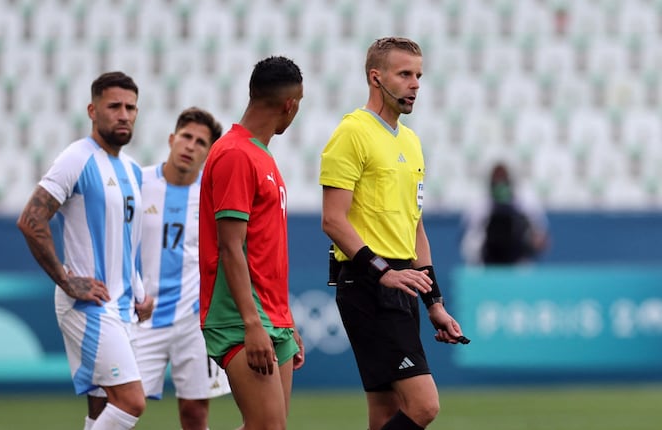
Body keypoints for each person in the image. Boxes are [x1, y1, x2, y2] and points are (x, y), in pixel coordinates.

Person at [319, 37, 466, 430]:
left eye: (418, 75)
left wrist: (433, 301)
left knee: (384, 415)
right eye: (404, 74)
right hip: (368, 284)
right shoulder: (352, 132)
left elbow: (414, 227)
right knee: (424, 405)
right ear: (376, 77)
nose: (415, 83)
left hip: (400, 285)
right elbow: (333, 220)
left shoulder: (412, 142)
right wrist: (382, 271)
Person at [17, 71, 152, 430]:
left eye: (131, 107)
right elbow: (31, 220)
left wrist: (139, 292)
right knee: (131, 401)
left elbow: (126, 242)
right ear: (92, 110)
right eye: (114, 106)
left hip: (123, 307)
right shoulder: (76, 158)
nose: (123, 114)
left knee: (101, 407)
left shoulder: (133, 170)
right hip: (89, 305)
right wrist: (65, 280)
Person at [198, 56, 305, 429]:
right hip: (241, 318)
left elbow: (263, 251)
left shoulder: (262, 155)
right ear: (289, 105)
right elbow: (230, 247)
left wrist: (284, 320)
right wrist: (252, 323)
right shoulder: (234, 154)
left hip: (272, 317)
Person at [136, 106, 230, 429]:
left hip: (194, 321)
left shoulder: (213, 193)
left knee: (194, 413)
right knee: (123, 403)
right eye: (186, 137)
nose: (191, 146)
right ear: (172, 139)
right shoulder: (138, 182)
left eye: (201, 142)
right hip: (141, 316)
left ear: (208, 153)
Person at [460, 161, 549, 265]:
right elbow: (466, 239)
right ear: (490, 182)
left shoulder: (526, 204)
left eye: (503, 180)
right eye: (496, 181)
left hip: (518, 260)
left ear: (510, 181)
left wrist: (534, 239)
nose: (500, 185)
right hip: (486, 260)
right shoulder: (479, 206)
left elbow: (542, 236)